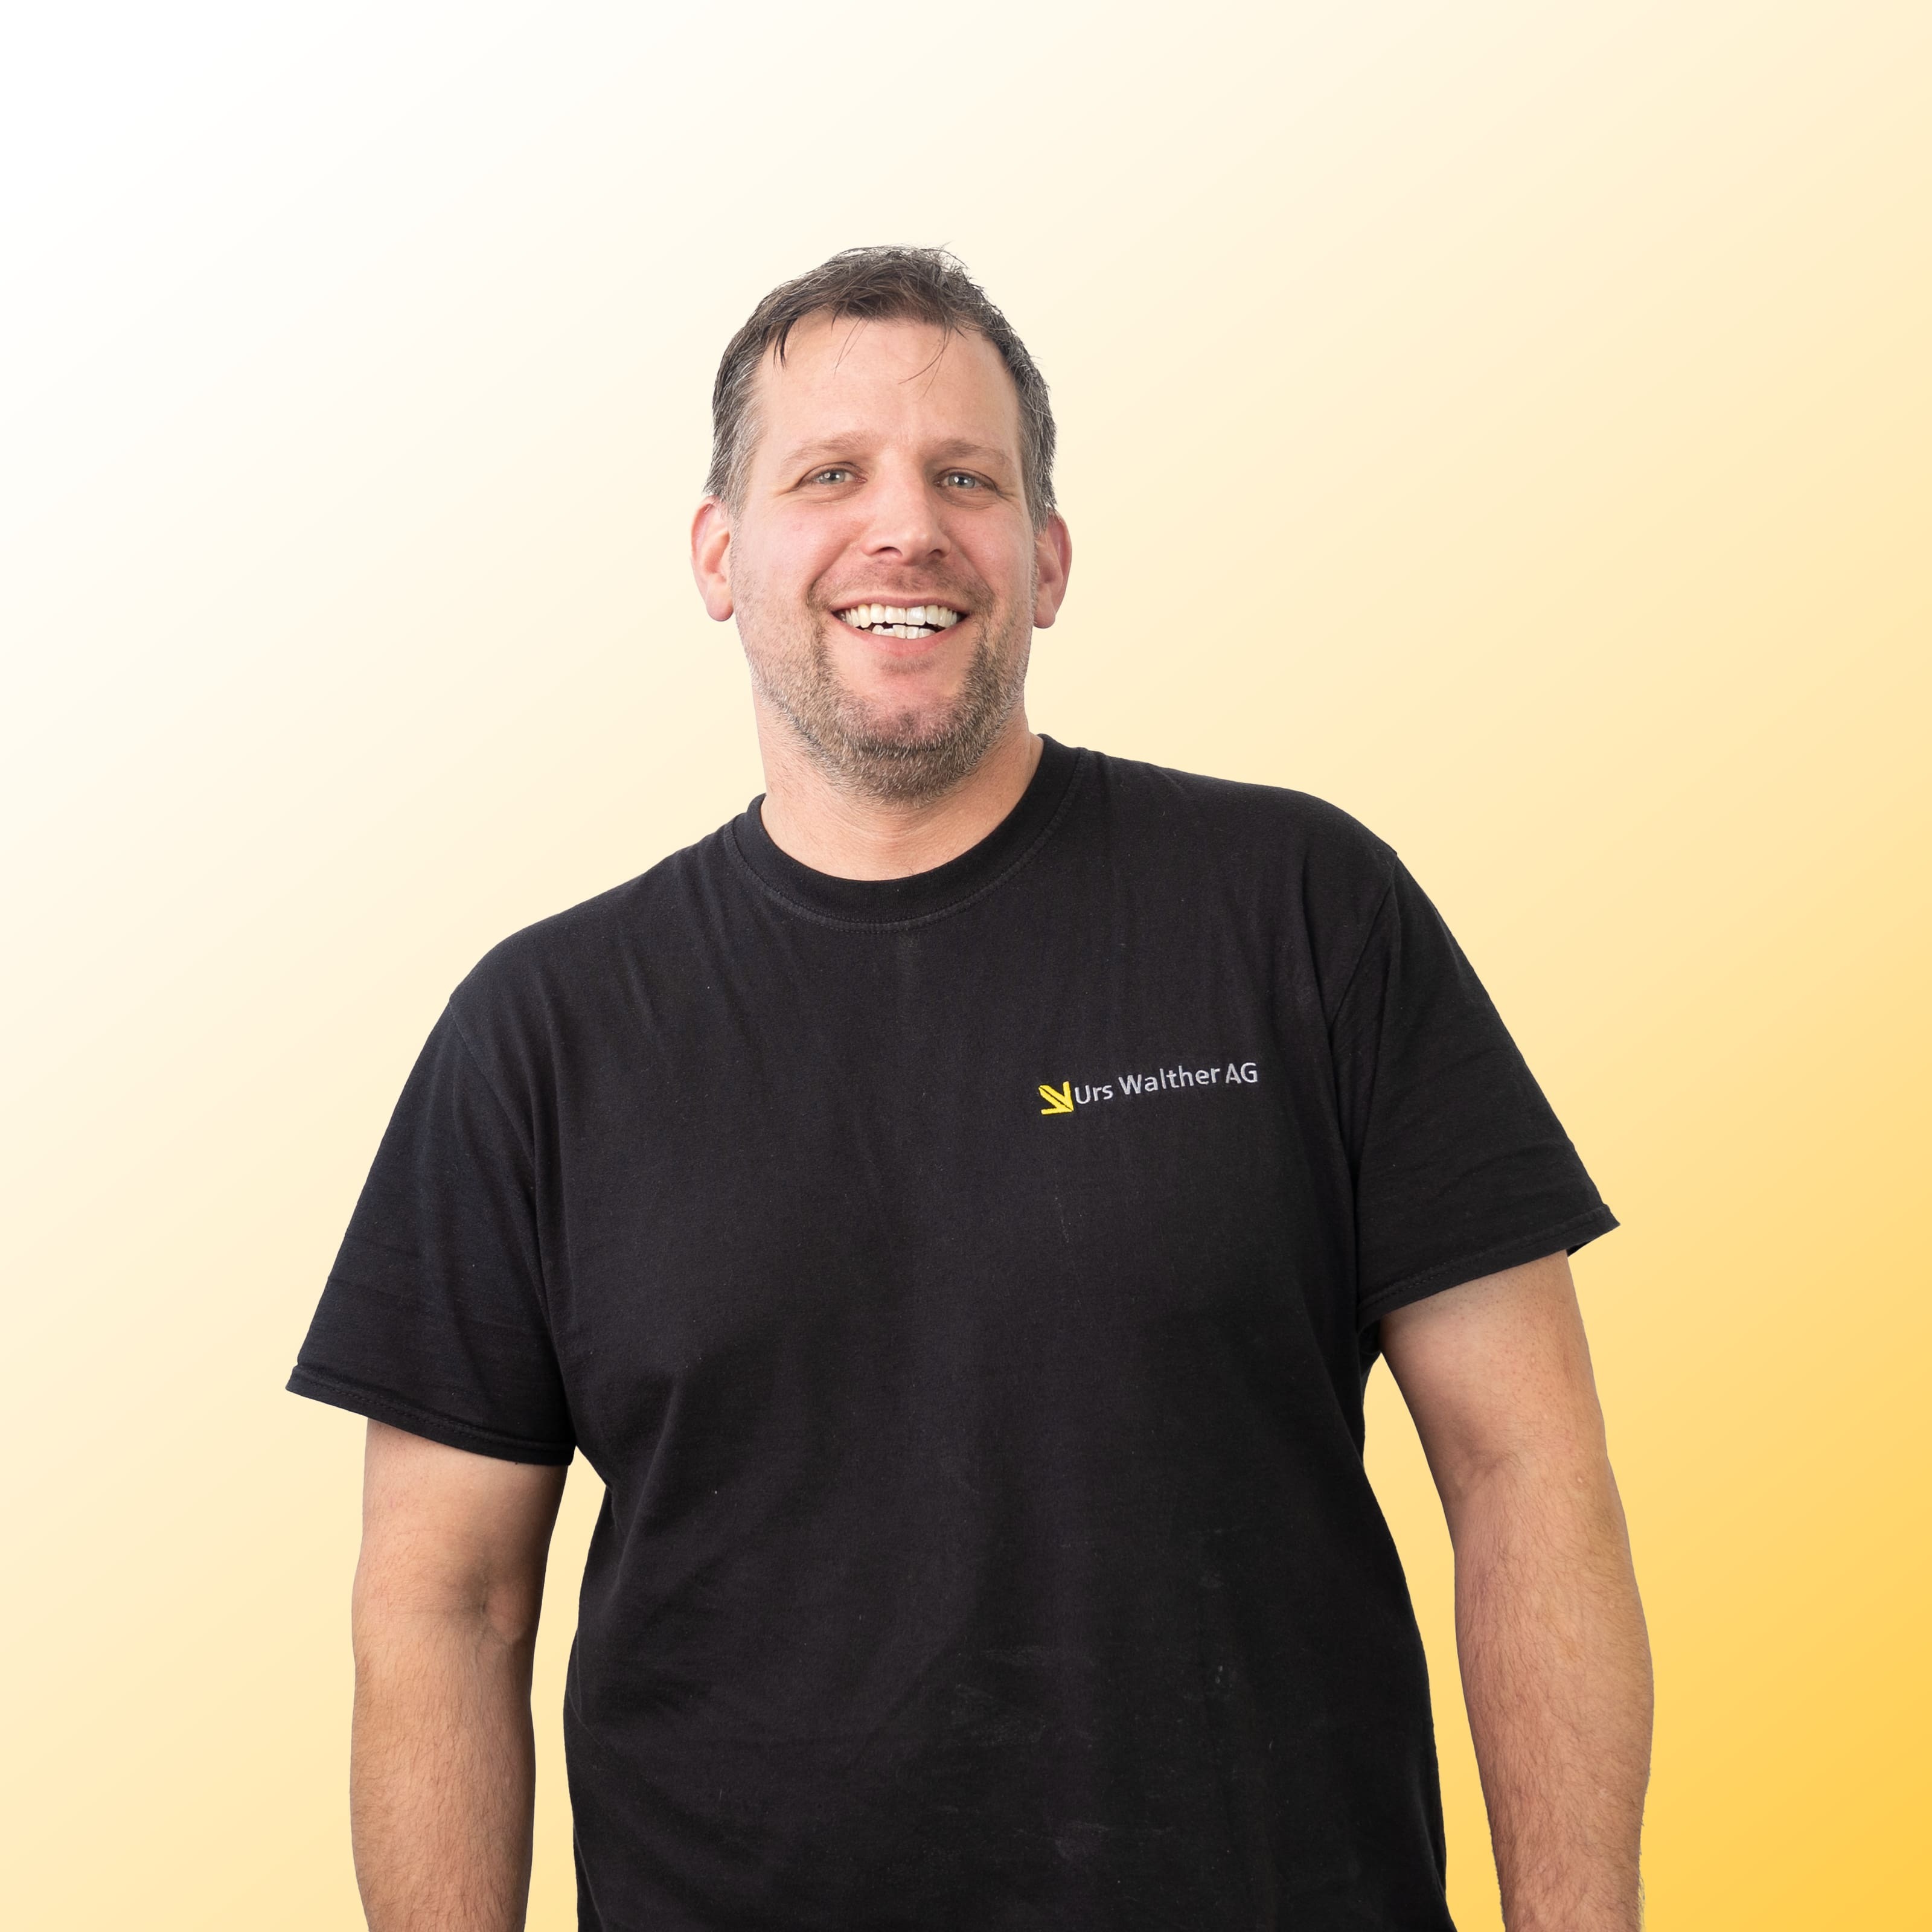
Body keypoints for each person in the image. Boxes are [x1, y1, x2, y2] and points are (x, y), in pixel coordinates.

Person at [288, 245, 1652, 1931]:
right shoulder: (543, 1032)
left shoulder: (1305, 912)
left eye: (966, 478)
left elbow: (1527, 1475)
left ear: (1046, 558)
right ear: (719, 556)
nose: (905, 529)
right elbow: (446, 1606)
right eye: (828, 475)